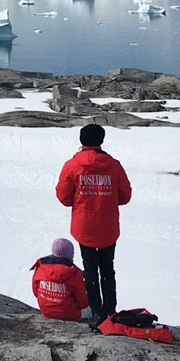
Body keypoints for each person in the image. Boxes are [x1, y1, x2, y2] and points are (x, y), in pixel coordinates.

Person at [55, 123, 132, 323]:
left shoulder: (72, 165)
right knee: (108, 268)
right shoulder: (113, 165)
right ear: (101, 140)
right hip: (108, 226)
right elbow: (125, 196)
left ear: (82, 141)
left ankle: (95, 309)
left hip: (84, 226)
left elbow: (64, 198)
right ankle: (110, 310)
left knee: (89, 268)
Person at [30, 238, 88, 321]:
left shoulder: (41, 268)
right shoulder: (74, 273)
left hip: (46, 312)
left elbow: (36, 291)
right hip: (70, 314)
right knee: (89, 310)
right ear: (71, 255)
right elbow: (82, 302)